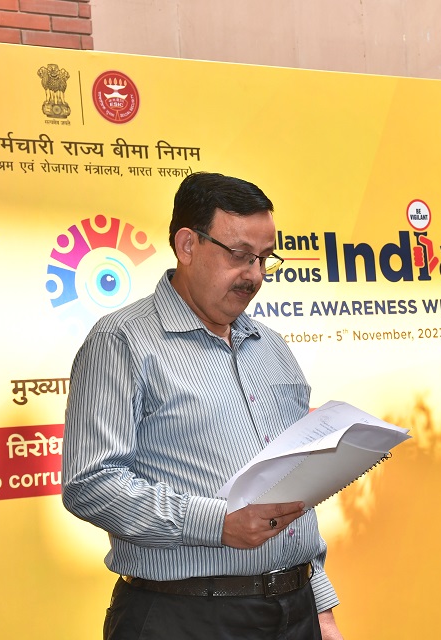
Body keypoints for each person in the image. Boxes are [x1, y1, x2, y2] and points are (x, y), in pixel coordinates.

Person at [62, 172, 343, 640]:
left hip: (296, 611)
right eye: (239, 255)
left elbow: (295, 489)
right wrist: (217, 524)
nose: (254, 275)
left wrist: (320, 603)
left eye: (264, 259)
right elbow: (90, 484)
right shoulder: (122, 341)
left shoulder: (272, 347)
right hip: (184, 617)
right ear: (187, 245)